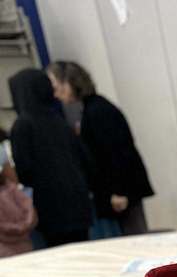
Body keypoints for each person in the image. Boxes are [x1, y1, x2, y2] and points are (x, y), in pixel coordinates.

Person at [47, 61, 154, 235]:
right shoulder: (93, 108)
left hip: (121, 193)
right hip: (120, 191)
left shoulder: (97, 111)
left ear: (68, 82)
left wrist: (119, 192)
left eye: (56, 86)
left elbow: (117, 153)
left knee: (135, 238)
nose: (55, 93)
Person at [7, 68, 92, 247]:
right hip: (78, 202)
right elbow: (84, 158)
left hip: (51, 209)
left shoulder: (23, 125)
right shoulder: (59, 121)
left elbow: (24, 170)